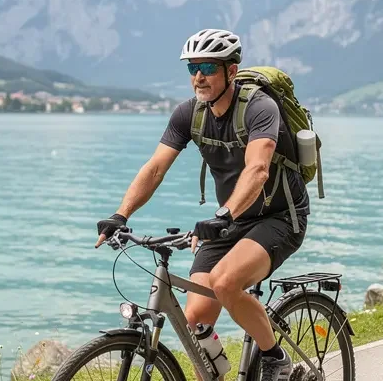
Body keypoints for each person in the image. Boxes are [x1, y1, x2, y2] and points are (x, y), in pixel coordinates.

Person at [95, 28, 310, 381]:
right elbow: (155, 169)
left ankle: (276, 358)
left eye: (208, 67)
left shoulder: (260, 108)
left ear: (231, 71)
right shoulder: (188, 114)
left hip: (280, 217)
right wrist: (121, 214)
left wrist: (224, 214)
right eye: (192, 68)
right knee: (195, 321)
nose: (198, 76)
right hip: (230, 220)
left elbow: (257, 170)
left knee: (226, 283)